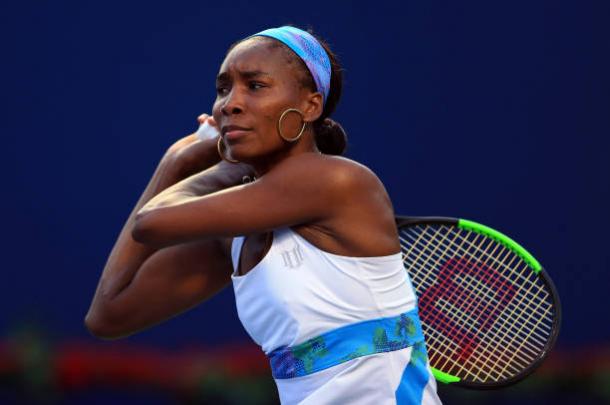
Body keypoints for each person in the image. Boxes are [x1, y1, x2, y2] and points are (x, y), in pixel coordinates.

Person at [85, 25, 442, 404]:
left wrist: (187, 162)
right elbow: (109, 314)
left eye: (255, 86)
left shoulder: (335, 180)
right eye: (224, 89)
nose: (229, 104)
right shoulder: (234, 235)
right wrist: (176, 164)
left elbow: (150, 222)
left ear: (310, 105)